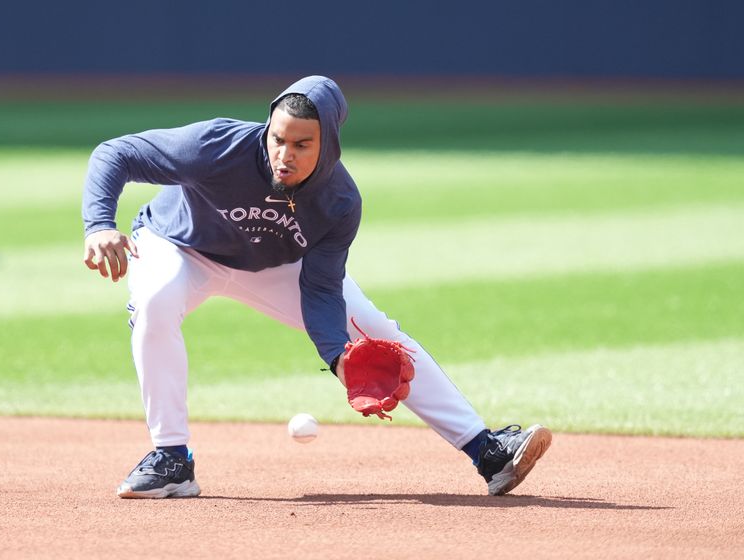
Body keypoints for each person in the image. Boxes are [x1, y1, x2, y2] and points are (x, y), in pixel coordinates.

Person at [82, 75, 552, 499]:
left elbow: (323, 288)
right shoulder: (215, 146)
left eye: (302, 144)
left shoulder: (340, 201)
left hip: (276, 266)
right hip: (181, 246)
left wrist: (338, 357)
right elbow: (115, 153)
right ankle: (171, 459)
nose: (284, 154)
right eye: (277, 139)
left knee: (372, 328)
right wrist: (99, 224)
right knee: (155, 299)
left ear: (327, 145)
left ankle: (487, 450)